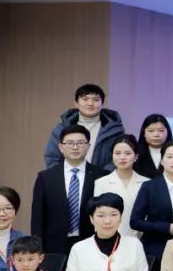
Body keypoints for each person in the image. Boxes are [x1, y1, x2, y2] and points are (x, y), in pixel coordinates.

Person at [31, 124, 108, 256]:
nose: (75, 147)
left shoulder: (101, 176)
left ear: (88, 146)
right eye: (70, 143)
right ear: (61, 147)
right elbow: (37, 217)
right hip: (54, 245)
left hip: (91, 243)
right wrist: (38, 249)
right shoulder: (46, 177)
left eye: (80, 143)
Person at [130, 141, 173, 261]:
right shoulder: (149, 187)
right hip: (157, 250)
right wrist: (167, 227)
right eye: (170, 157)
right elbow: (135, 222)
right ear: (162, 161)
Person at [44, 83, 124, 170]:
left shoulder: (114, 129)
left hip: (103, 177)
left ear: (102, 104)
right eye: (85, 99)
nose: (90, 103)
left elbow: (119, 157)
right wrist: (63, 176)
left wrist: (102, 175)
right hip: (70, 177)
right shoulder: (62, 128)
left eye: (96, 100)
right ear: (76, 103)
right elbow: (52, 157)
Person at [93, 136, 149, 238]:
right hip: (109, 238)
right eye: (117, 153)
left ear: (136, 157)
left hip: (141, 238)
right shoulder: (101, 183)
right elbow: (98, 215)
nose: (122, 157)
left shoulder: (147, 183)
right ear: (112, 155)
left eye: (127, 153)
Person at [133, 114, 173, 179]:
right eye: (151, 131)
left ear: (167, 132)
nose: (156, 135)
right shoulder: (134, 154)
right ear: (144, 133)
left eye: (161, 130)